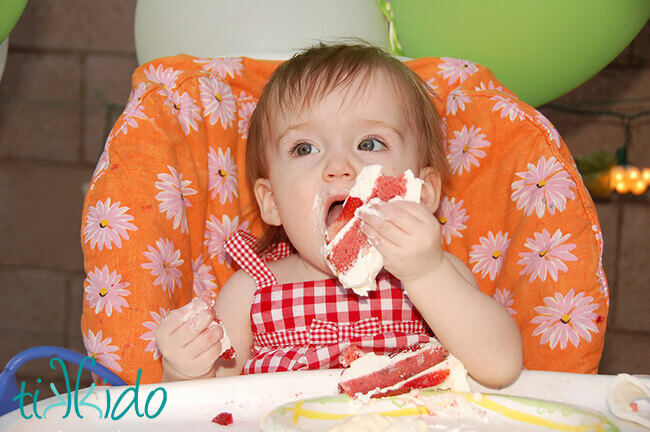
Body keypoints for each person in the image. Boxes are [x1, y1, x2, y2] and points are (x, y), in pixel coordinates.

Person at [155, 42, 523, 387]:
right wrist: (185, 370)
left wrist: (425, 272)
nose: (339, 165)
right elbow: (212, 407)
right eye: (304, 148)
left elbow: (500, 368)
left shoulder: (436, 274)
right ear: (272, 202)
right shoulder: (249, 290)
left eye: (369, 143)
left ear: (422, 192)